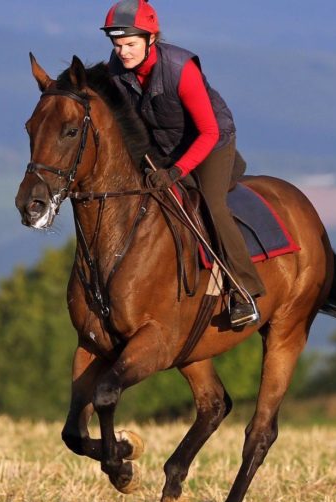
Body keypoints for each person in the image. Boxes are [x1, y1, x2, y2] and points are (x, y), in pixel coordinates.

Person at [102, 0, 264, 326]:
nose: (123, 52)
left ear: (151, 39)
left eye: (130, 44)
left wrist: (176, 171)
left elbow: (208, 131)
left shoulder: (181, 68)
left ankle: (245, 289)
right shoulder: (117, 71)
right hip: (165, 148)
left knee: (212, 204)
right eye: (118, 45)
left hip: (212, 144)